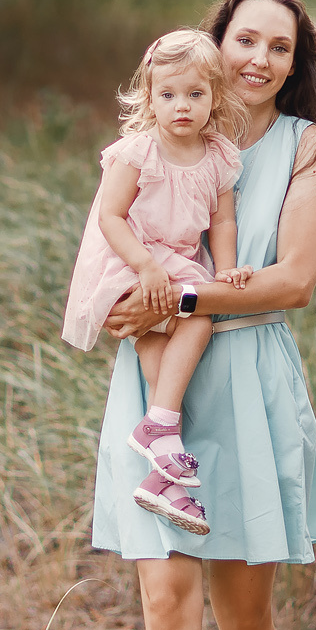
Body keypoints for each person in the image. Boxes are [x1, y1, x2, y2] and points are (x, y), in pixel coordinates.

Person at [88, 0, 316, 630]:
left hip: (243, 377)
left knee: (244, 608)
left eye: (279, 47)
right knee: (164, 598)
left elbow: (291, 280)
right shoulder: (160, 130)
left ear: (295, 61)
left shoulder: (303, 144)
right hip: (159, 370)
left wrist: (178, 292)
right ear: (216, 42)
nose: (258, 60)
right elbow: (112, 226)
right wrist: (129, 295)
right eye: (246, 38)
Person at [60, 29, 256, 535]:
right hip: (130, 259)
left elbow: (222, 222)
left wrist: (227, 266)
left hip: (178, 264)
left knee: (185, 324)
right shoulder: (137, 152)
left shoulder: (218, 157)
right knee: (175, 323)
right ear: (149, 97)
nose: (182, 106)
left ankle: (159, 460)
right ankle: (162, 427)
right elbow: (110, 216)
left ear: (215, 98)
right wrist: (145, 266)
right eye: (167, 95)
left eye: (195, 94)